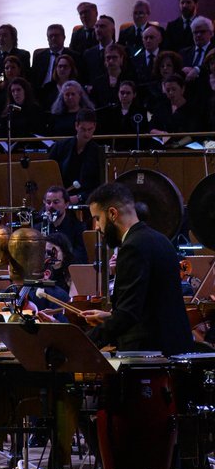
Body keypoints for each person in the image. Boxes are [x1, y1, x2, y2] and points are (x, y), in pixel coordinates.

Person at [82, 182, 191, 355]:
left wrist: (83, 343)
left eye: (97, 218)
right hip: (174, 347)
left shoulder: (133, 247)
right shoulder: (161, 240)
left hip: (150, 352)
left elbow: (128, 314)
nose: (96, 227)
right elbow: (149, 305)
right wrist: (110, 317)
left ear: (112, 213)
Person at [49, 108, 103, 205]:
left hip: (87, 201)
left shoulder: (98, 152)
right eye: (83, 129)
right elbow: (49, 173)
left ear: (94, 127)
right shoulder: (60, 147)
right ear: (76, 126)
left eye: (89, 129)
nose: (86, 134)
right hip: (60, 199)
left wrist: (79, 197)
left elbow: (99, 185)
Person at [0, 24, 31, 96]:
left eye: (5, 35)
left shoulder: (23, 55)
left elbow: (25, 74)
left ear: (13, 38)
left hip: (15, 89)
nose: (1, 38)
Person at [41, 185, 88, 263]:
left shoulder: (78, 228)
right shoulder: (39, 228)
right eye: (48, 202)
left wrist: (61, 258)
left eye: (56, 202)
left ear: (66, 204)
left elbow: (81, 258)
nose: (51, 206)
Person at [149, 74, 201, 138]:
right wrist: (162, 133)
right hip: (163, 145)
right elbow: (151, 128)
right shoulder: (161, 107)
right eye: (168, 90)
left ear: (182, 89)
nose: (170, 93)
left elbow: (192, 134)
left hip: (185, 145)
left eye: (174, 89)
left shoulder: (192, 109)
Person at [32, 24, 74, 89]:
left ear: (64, 37)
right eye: (51, 36)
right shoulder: (39, 57)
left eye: (56, 35)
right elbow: (34, 80)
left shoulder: (73, 56)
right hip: (41, 92)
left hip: (64, 91)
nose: (53, 38)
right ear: (47, 39)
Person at [88, 43, 130, 108]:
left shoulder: (129, 79)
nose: (111, 61)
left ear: (121, 59)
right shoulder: (98, 82)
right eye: (108, 58)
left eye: (114, 57)